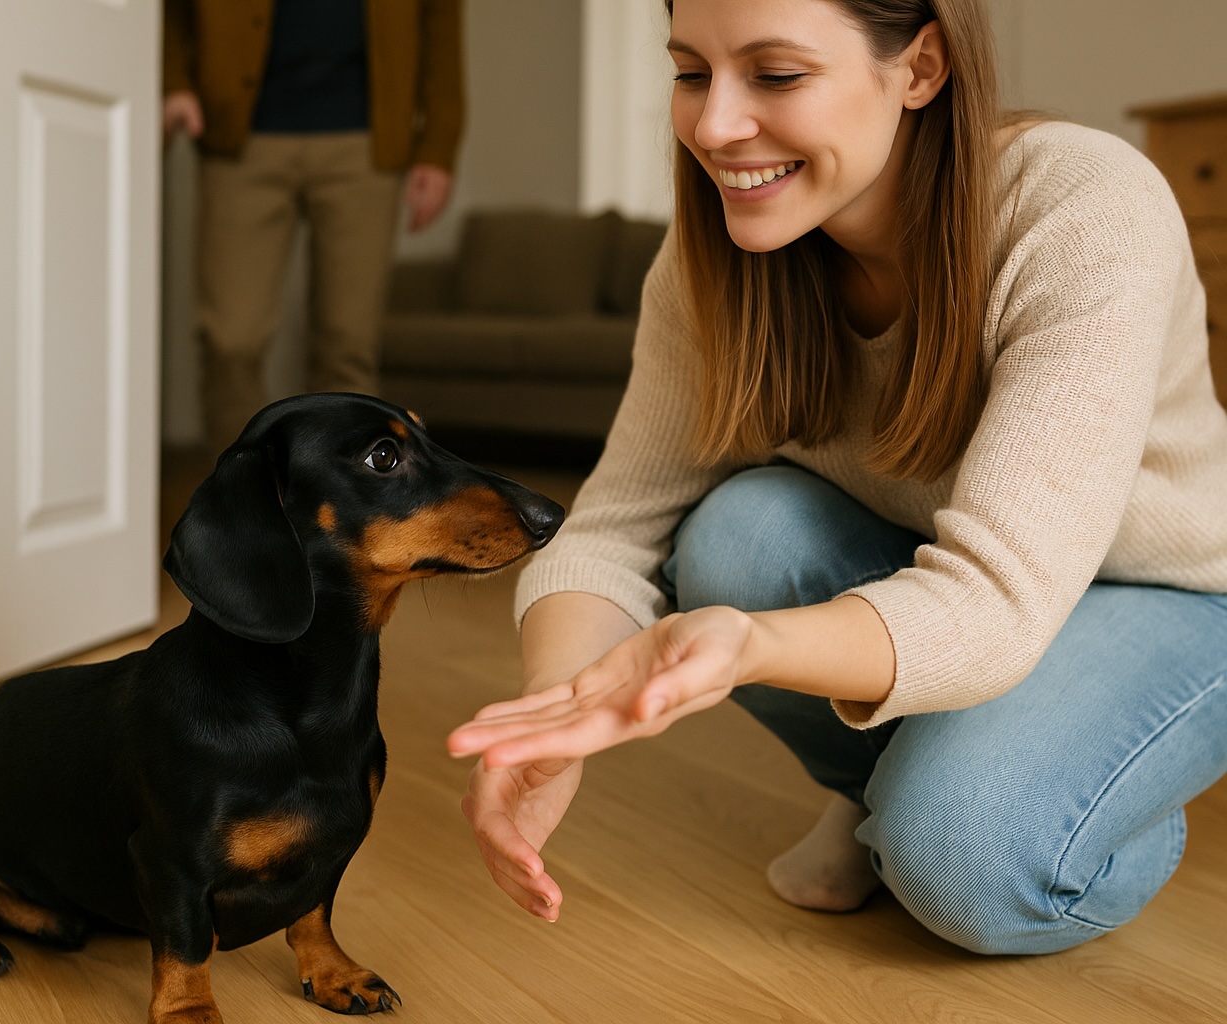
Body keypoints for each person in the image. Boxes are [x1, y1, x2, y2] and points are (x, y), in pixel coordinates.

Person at [447, 0, 1227, 956]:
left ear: (921, 67)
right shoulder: (717, 260)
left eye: (775, 76)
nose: (716, 126)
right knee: (741, 532)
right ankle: (887, 794)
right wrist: (552, 721)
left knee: (967, 855)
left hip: (1170, 595)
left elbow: (998, 598)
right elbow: (616, 529)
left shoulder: (1082, 207)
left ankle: (1080, 803)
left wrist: (751, 645)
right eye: (692, 72)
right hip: (963, 584)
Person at [161, 0, 464, 459]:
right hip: (239, 140)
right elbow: (170, 12)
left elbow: (440, 22)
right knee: (230, 340)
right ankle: (242, 512)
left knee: (349, 344)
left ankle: (339, 512)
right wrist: (173, 82)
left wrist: (438, 145)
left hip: (367, 146)